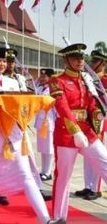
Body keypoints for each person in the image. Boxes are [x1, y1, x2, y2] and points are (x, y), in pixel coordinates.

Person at [0, 47, 62, 224]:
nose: (1, 64)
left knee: (27, 177)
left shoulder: (13, 83)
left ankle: (46, 219)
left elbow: (21, 108)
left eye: (4, 61)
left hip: (15, 138)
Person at [49, 43, 107, 222]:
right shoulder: (56, 80)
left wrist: (98, 113)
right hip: (67, 132)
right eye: (75, 58)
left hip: (87, 131)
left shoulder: (86, 79)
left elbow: (90, 103)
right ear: (65, 60)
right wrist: (74, 130)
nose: (80, 61)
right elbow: (62, 106)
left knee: (105, 163)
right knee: (63, 176)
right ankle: (59, 217)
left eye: (82, 58)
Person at [74, 49, 107, 200]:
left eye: (95, 61)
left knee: (99, 157)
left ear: (103, 63)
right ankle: (88, 186)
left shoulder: (105, 80)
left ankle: (96, 188)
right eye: (92, 61)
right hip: (88, 121)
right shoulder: (87, 79)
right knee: (89, 156)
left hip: (101, 122)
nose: (91, 64)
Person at [34, 68, 56, 181]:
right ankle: (43, 170)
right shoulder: (39, 88)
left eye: (44, 76)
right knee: (42, 148)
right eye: (41, 76)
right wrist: (37, 82)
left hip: (49, 121)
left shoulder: (53, 90)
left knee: (49, 148)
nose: (42, 78)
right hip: (40, 121)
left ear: (50, 78)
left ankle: (48, 172)